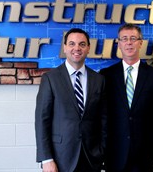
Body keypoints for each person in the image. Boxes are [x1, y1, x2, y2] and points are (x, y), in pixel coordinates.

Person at [100, 23, 153, 172]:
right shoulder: (106, 75)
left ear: (140, 43)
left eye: (133, 38)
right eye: (124, 39)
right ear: (118, 44)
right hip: (114, 155)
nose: (129, 43)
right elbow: (102, 118)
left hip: (146, 156)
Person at [35, 28, 107, 172]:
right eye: (72, 44)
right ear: (65, 47)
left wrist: (102, 151)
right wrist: (46, 159)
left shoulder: (99, 79)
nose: (77, 48)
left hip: (91, 158)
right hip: (60, 158)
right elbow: (42, 120)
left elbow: (104, 119)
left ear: (88, 48)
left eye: (82, 44)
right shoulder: (50, 79)